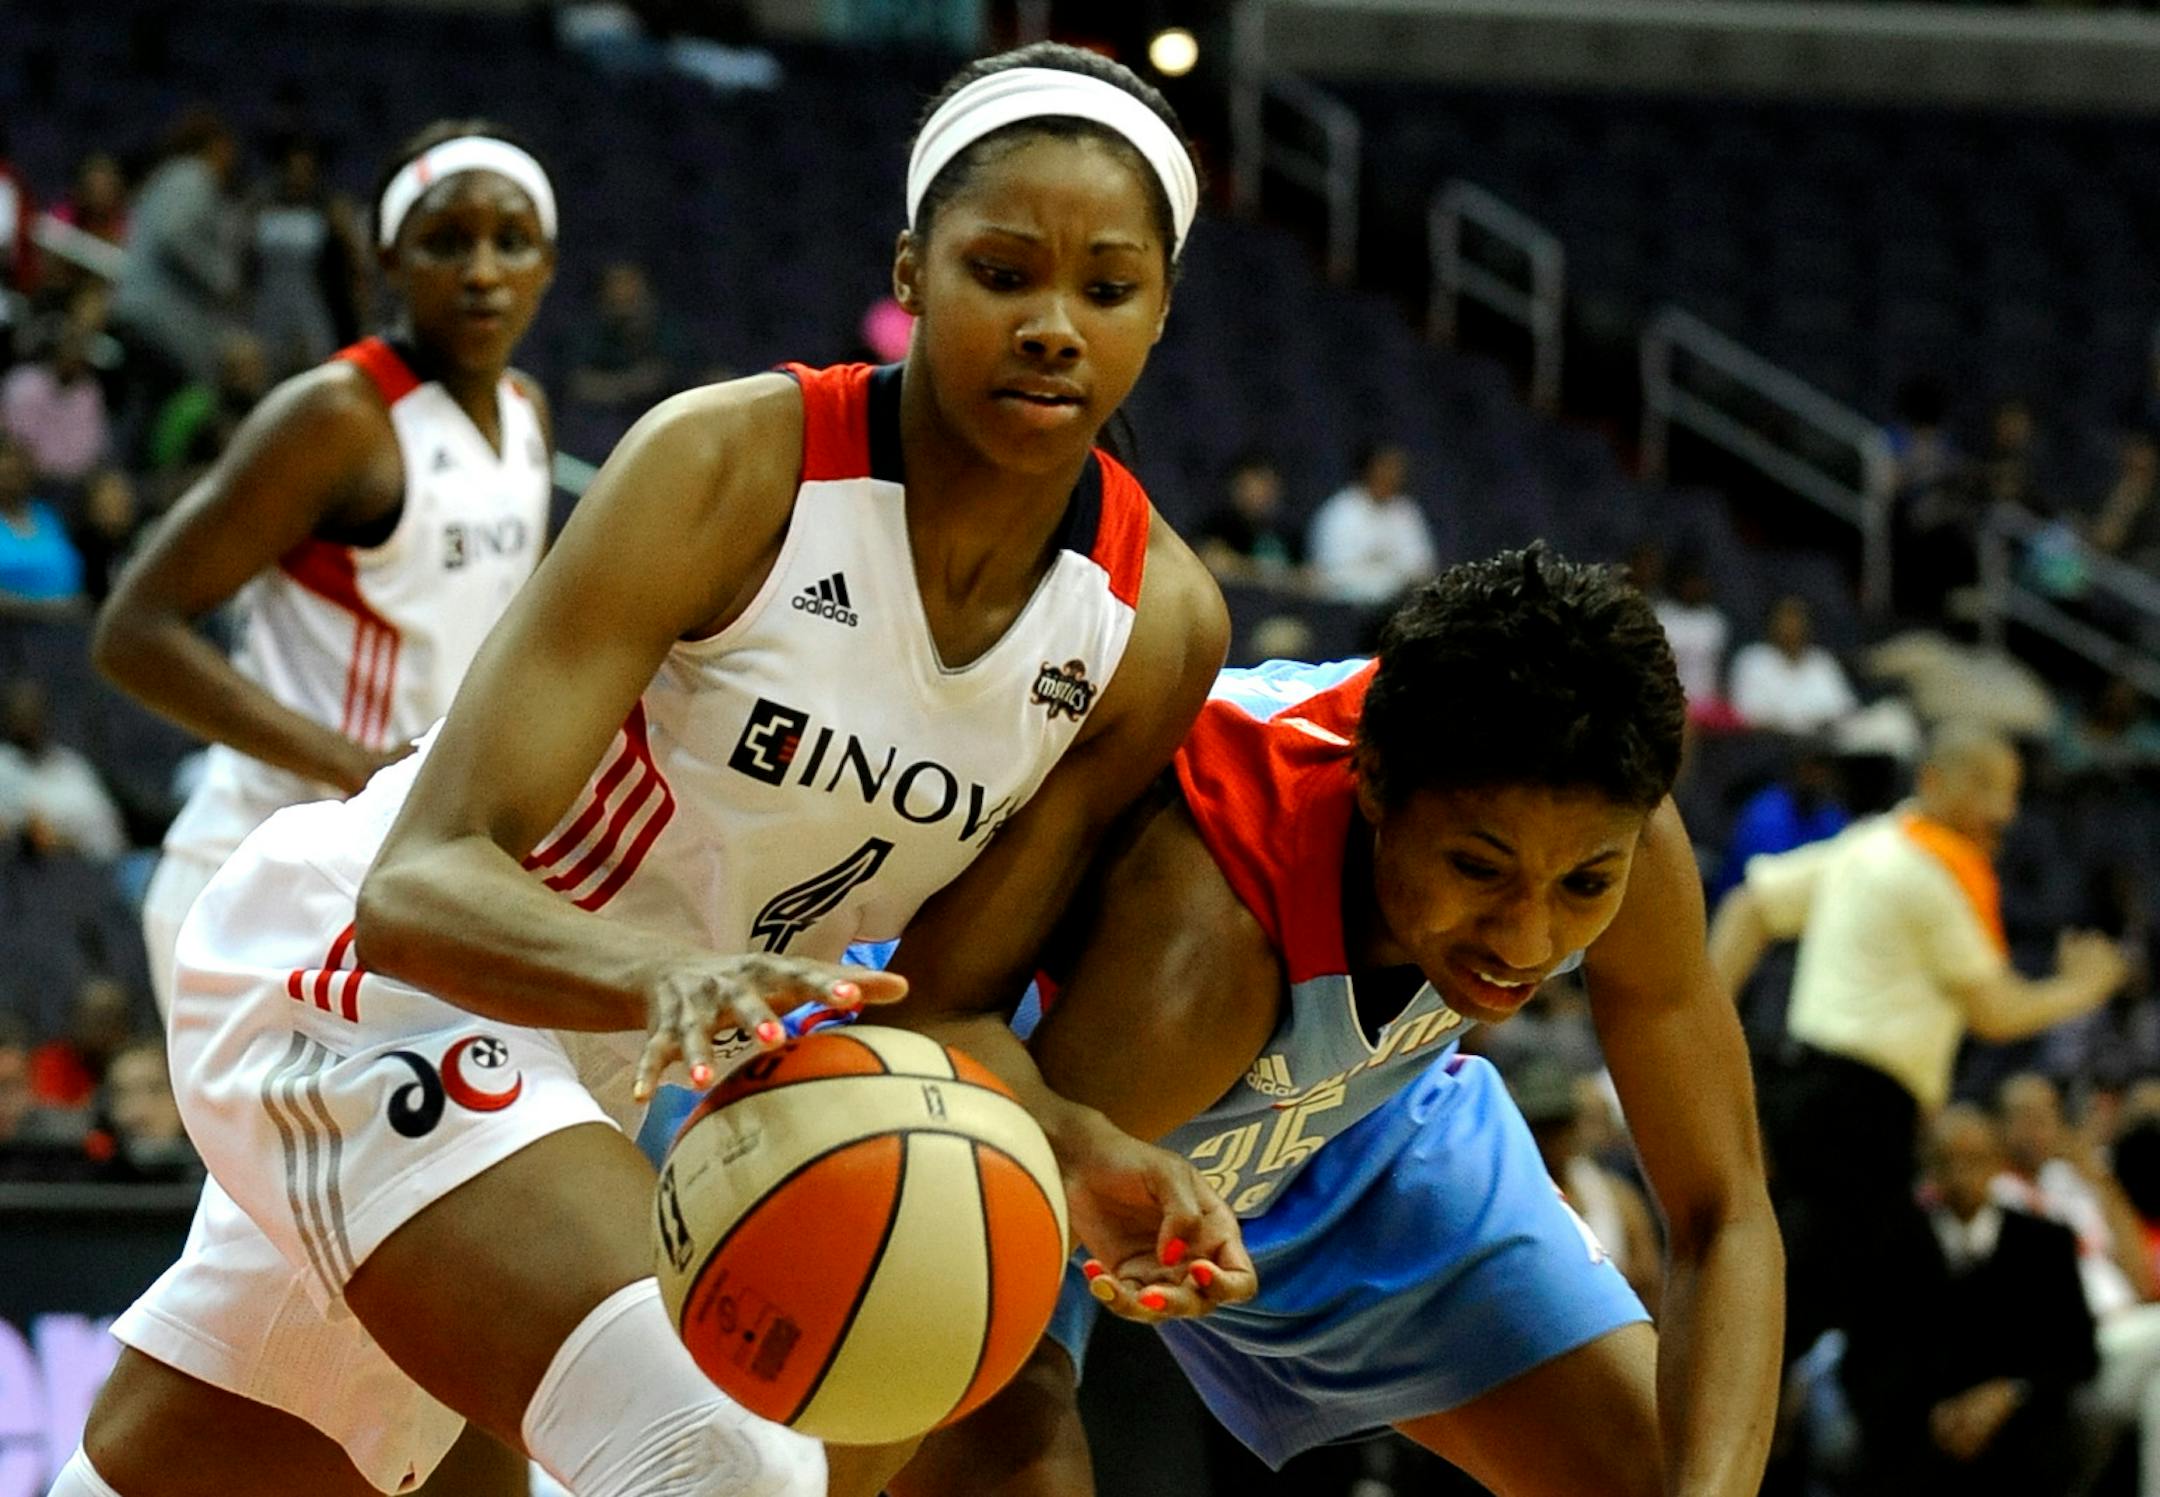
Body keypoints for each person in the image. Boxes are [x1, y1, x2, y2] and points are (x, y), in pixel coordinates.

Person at [61, 46, 1240, 1497]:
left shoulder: (1150, 628)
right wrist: (661, 976)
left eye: (1107, 290)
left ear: (1162, 309)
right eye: (1002, 271)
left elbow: (940, 1004)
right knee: (722, 1462)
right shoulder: (734, 464)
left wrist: (1073, 1143)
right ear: (914, 273)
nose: (1054, 326)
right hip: (370, 987)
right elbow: (417, 886)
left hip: (591, 1070)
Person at [896, 548, 1781, 1497]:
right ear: (1374, 782)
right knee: (1004, 1460)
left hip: (1361, 1119)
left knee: (1660, 1471)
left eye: (1582, 885)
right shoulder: (1204, 940)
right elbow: (954, 1233)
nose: (1530, 938)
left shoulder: (1617, 833)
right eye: (1480, 871)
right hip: (1037, 1109)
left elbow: (1723, 1214)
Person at [95, 121, 560, 1017]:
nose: (482, 271)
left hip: (413, 870)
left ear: (548, 263)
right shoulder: (338, 417)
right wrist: (360, 765)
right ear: (388, 259)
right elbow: (133, 631)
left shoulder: (527, 414)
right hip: (269, 868)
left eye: (512, 241)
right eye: (445, 242)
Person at [1709, 723, 2132, 1352]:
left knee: (1819, 1286)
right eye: (1988, 788)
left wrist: (1705, 1022)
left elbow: (1750, 907)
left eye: (2012, 792)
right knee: (1836, 1294)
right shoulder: (1926, 874)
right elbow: (1995, 1010)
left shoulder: (1869, 844)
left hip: (1817, 1091)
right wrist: (2086, 987)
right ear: (1933, 781)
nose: (2006, 812)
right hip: (1859, 1103)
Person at [1839, 1106, 2095, 1497]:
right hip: (1913, 1440)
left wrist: (2010, 1394)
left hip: (2023, 1439)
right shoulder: (1888, 1244)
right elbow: (1864, 1359)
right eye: (1947, 1161)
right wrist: (1931, 1414)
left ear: (1997, 1163)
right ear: (1927, 1166)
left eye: (1974, 1160)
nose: (1961, 1175)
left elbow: (2078, 1355)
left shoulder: (2046, 1242)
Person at [1306, 440, 1439, 605]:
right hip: (1350, 611)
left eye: (1398, 468)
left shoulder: (1406, 510)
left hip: (1401, 605)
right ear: (1369, 470)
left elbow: (1421, 566)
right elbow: (1333, 576)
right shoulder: (1339, 512)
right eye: (1387, 466)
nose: (1395, 474)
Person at [1727, 594, 1858, 735]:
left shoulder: (1822, 660)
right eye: (1786, 617)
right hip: (1769, 744)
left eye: (1798, 617)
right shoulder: (1752, 660)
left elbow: (1845, 708)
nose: (1793, 624)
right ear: (1771, 622)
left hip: (1824, 743)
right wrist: (1804, 721)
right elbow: (1748, 715)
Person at [0, 433, 86, 615]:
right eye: (6, 473)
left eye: (18, 472)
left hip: (64, 624)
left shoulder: (48, 516)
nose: (12, 480)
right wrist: (41, 608)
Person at [1192, 450, 1303, 588]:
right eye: (1250, 487)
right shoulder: (1218, 527)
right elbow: (1216, 563)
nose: (1258, 495)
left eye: (1265, 486)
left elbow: (1308, 578)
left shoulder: (1288, 533)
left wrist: (1243, 567)